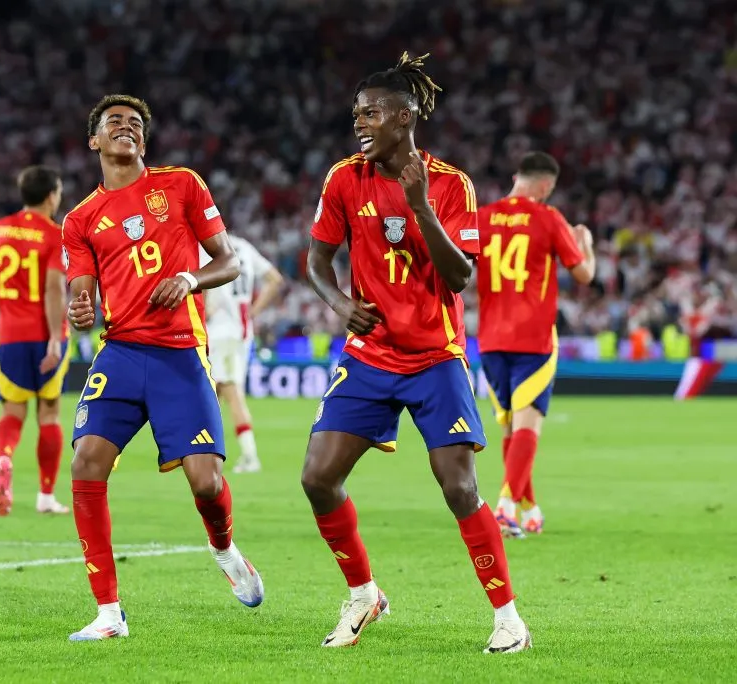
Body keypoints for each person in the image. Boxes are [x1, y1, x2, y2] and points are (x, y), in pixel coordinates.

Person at [300, 53, 531, 653]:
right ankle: (363, 594)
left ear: (405, 116)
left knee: (458, 488)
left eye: (371, 112)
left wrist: (421, 205)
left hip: (434, 356)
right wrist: (337, 303)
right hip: (369, 354)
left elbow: (459, 277)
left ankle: (508, 617)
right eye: (357, 114)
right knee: (318, 478)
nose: (360, 123)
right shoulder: (344, 178)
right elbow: (317, 261)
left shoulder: (451, 184)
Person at [62, 94, 264, 641]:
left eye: (134, 124)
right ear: (95, 141)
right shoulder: (80, 219)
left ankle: (223, 548)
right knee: (85, 464)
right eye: (114, 123)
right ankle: (108, 612)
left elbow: (229, 261)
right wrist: (80, 308)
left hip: (180, 351)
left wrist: (192, 279)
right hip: (121, 353)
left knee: (206, 482)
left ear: (143, 142)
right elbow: (82, 293)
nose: (125, 128)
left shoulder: (182, 185)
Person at [476, 152, 595, 537]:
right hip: (534, 338)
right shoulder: (548, 218)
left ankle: (528, 507)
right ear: (546, 185)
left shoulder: (482, 217)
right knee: (528, 427)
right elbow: (583, 274)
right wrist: (586, 244)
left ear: (517, 177)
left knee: (511, 429)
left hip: (491, 339)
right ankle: (506, 508)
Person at [0, 166, 71, 516]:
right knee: (48, 413)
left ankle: (3, 458)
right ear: (51, 195)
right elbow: (53, 288)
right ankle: (46, 496)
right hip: (44, 334)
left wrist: (9, 315)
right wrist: (54, 338)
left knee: (12, 411)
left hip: (10, 334)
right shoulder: (54, 234)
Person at [200, 235, 284, 472]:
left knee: (231, 391)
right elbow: (275, 280)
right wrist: (252, 312)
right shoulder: (245, 247)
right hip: (241, 331)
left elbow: (202, 283)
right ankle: (204, 453)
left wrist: (205, 307)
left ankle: (249, 456)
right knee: (213, 393)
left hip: (222, 331)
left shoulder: (207, 247)